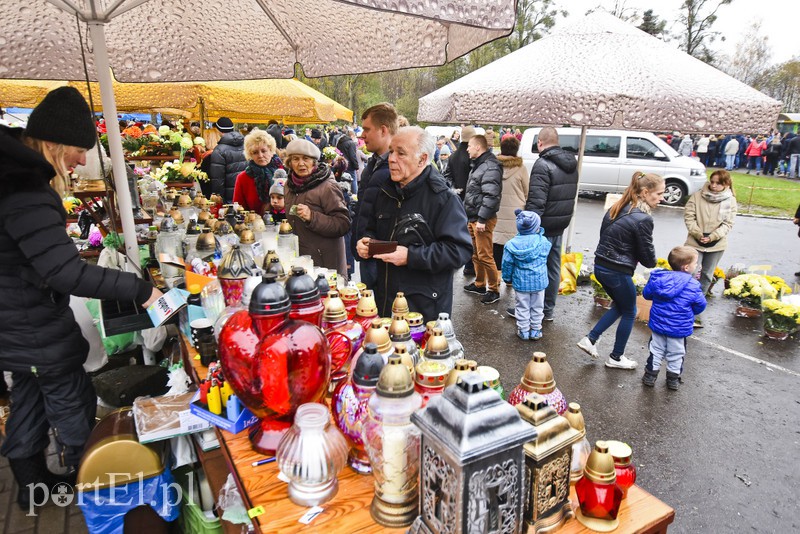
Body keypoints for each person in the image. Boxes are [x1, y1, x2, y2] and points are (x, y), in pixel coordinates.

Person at [0, 87, 161, 509]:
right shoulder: (26, 189)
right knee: (71, 402)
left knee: (30, 400)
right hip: (32, 326)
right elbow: (65, 272)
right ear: (51, 144)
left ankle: (32, 487)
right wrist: (140, 289)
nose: (83, 160)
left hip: (17, 323)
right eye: (77, 150)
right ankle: (90, 486)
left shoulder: (15, 178)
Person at [355, 126, 472, 322]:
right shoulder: (386, 191)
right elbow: (372, 229)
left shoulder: (442, 198)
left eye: (401, 153)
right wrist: (367, 243)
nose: (392, 159)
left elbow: (459, 251)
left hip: (423, 310)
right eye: (391, 151)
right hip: (385, 302)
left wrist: (411, 256)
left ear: (422, 159)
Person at [577, 171, 664, 370]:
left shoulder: (618, 207)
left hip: (601, 266)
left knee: (621, 305)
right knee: (630, 310)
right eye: (658, 194)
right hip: (617, 271)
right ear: (644, 192)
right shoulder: (643, 219)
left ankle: (591, 339)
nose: (662, 198)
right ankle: (616, 357)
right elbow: (648, 258)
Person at [524, 126, 579, 321]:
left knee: (534, 268)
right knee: (553, 266)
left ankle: (532, 310)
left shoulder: (543, 164)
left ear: (540, 143)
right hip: (561, 223)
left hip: (543, 225)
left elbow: (536, 200)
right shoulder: (572, 163)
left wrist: (529, 227)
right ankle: (548, 310)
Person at [641, 246, 706, 390]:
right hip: (679, 328)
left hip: (658, 324)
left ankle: (650, 376)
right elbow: (700, 306)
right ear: (686, 267)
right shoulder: (693, 285)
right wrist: (688, 313)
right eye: (696, 263)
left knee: (656, 350)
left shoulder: (659, 279)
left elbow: (646, 294)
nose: (698, 266)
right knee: (677, 353)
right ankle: (672, 380)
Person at [283, 139, 350, 277]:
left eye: (306, 159)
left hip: (326, 265)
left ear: (314, 162)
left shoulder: (328, 187)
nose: (301, 163)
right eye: (295, 159)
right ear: (289, 163)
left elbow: (343, 224)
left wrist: (312, 217)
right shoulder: (288, 186)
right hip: (301, 261)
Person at [352, 103, 398, 289]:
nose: (362, 135)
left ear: (383, 130)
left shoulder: (397, 169)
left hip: (383, 259)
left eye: (366, 129)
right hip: (367, 252)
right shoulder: (374, 163)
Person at [683, 169, 737, 328]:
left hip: (716, 243)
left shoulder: (730, 200)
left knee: (706, 275)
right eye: (712, 182)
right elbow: (689, 216)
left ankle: (696, 312)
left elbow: (728, 223)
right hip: (695, 240)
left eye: (718, 183)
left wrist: (713, 236)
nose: (713, 186)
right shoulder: (698, 195)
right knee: (689, 272)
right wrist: (698, 233)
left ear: (725, 184)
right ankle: (682, 305)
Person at [462, 134, 503, 304]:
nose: (467, 149)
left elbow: (491, 195)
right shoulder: (479, 165)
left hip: (481, 219)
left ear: (478, 147)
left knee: (485, 255)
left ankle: (493, 290)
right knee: (476, 254)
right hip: (473, 217)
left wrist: (482, 219)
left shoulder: (490, 166)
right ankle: (480, 284)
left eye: (469, 146)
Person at [502, 210, 551, 340]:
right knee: (538, 306)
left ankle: (523, 331)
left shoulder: (511, 244)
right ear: (536, 226)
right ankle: (535, 330)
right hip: (539, 282)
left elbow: (507, 263)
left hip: (521, 282)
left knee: (522, 307)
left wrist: (507, 277)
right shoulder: (543, 242)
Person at [493, 135, 529, 270]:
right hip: (516, 212)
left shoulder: (494, 166)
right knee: (513, 245)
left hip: (496, 210)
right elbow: (527, 191)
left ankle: (496, 278)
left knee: (496, 243)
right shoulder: (521, 168)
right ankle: (509, 280)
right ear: (516, 150)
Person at [232, 128, 283, 215]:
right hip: (254, 224)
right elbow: (238, 208)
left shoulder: (283, 173)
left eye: (264, 151)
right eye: (255, 152)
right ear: (250, 155)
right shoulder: (243, 178)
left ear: (271, 150)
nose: (260, 155)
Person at [207, 117, 247, 203]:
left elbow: (217, 179)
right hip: (245, 193)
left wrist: (218, 199)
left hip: (229, 199)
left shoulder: (219, 150)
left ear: (218, 131)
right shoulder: (246, 146)